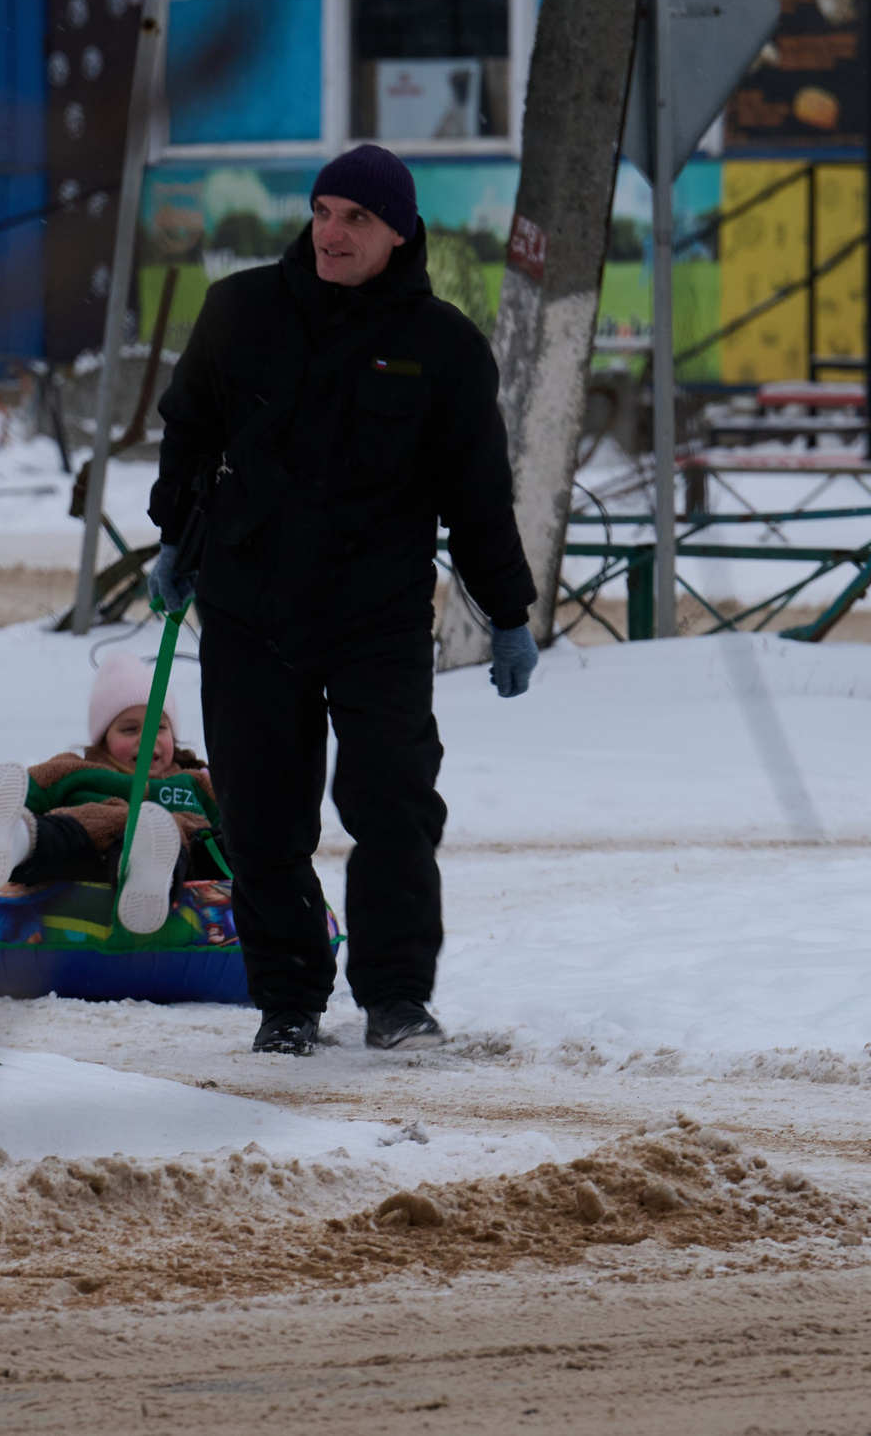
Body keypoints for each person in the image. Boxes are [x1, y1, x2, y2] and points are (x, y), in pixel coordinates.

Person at [144, 144, 538, 1058]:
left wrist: (508, 613)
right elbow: (189, 432)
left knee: (393, 804)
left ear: (399, 233)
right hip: (250, 608)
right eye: (323, 211)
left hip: (378, 616)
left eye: (356, 218)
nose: (331, 232)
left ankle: (396, 999)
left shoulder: (442, 348)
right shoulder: (239, 311)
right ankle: (287, 1001)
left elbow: (478, 497)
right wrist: (175, 537)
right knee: (261, 815)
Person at [0, 653, 224, 937]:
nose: (147, 738)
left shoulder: (195, 783)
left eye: (158, 727)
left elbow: (233, 826)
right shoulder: (75, 771)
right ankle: (16, 843)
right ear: (103, 738)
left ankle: (144, 877)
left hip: (169, 857)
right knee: (62, 832)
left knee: (182, 840)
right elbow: (20, 796)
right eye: (129, 729)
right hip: (83, 855)